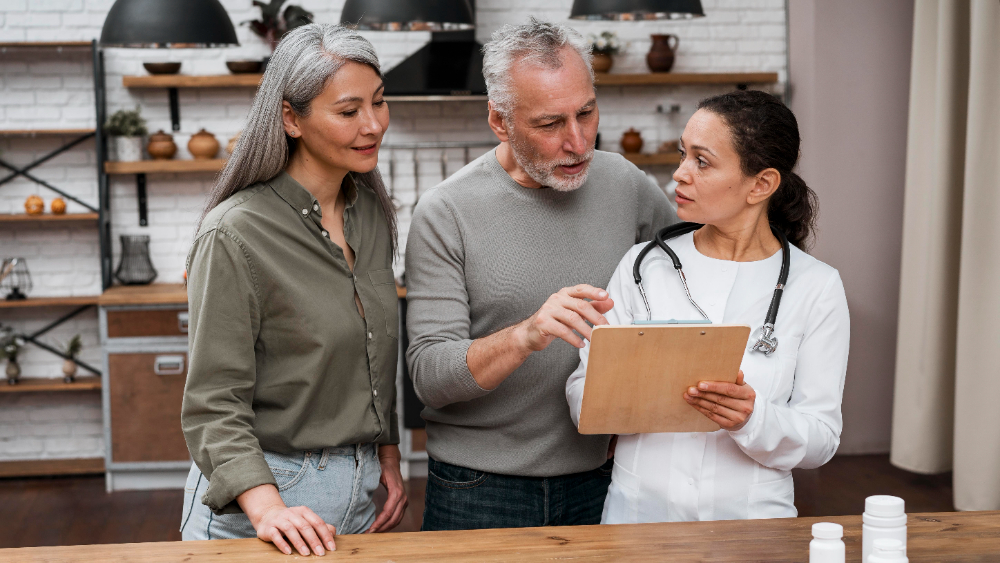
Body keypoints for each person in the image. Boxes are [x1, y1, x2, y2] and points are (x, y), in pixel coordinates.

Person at [405, 18, 677, 531]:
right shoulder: (446, 211)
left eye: (587, 113)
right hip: (478, 489)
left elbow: (693, 278)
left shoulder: (626, 184)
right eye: (550, 124)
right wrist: (526, 334)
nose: (578, 142)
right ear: (500, 121)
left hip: (605, 474)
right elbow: (430, 377)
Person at [566, 89, 850, 523]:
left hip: (752, 524)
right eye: (683, 155)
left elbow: (822, 439)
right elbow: (581, 388)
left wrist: (752, 419)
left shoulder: (816, 287)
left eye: (702, 161)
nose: (679, 174)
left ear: (762, 184)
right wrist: (619, 394)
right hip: (638, 517)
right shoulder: (644, 267)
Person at [179, 24, 407, 555]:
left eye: (379, 102)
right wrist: (269, 509)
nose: (373, 124)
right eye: (349, 111)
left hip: (359, 491)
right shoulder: (234, 232)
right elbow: (214, 402)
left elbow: (374, 349)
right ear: (290, 118)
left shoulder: (370, 214)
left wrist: (388, 455)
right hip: (262, 501)